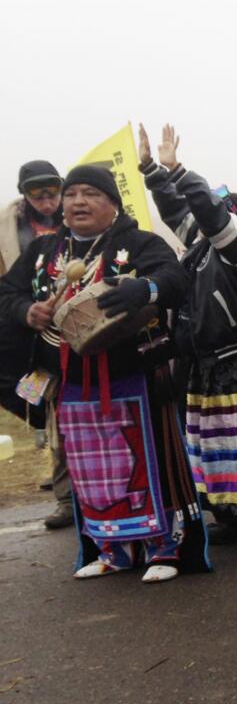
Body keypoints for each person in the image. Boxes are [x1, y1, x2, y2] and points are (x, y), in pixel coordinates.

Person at [0, 164, 203, 582]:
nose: (77, 202)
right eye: (71, 194)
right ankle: (112, 549)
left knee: (145, 460)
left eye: (90, 193)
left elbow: (175, 278)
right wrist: (27, 311)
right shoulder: (45, 252)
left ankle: (165, 548)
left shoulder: (137, 242)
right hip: (70, 382)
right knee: (92, 468)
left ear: (113, 203)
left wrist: (144, 289)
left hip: (134, 375)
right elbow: (8, 292)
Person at [137, 124, 237, 544]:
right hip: (202, 364)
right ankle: (225, 514)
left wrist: (179, 171)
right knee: (209, 445)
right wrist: (151, 171)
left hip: (233, 362)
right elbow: (179, 214)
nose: (206, 217)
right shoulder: (199, 247)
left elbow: (211, 215)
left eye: (217, 209)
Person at [0, 161, 72, 528]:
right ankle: (68, 488)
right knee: (39, 404)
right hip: (29, 341)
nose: (47, 200)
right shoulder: (9, 229)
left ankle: (72, 494)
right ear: (24, 195)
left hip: (77, 338)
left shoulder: (79, 217)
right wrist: (26, 310)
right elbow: (7, 288)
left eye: (52, 191)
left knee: (66, 416)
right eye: (36, 193)